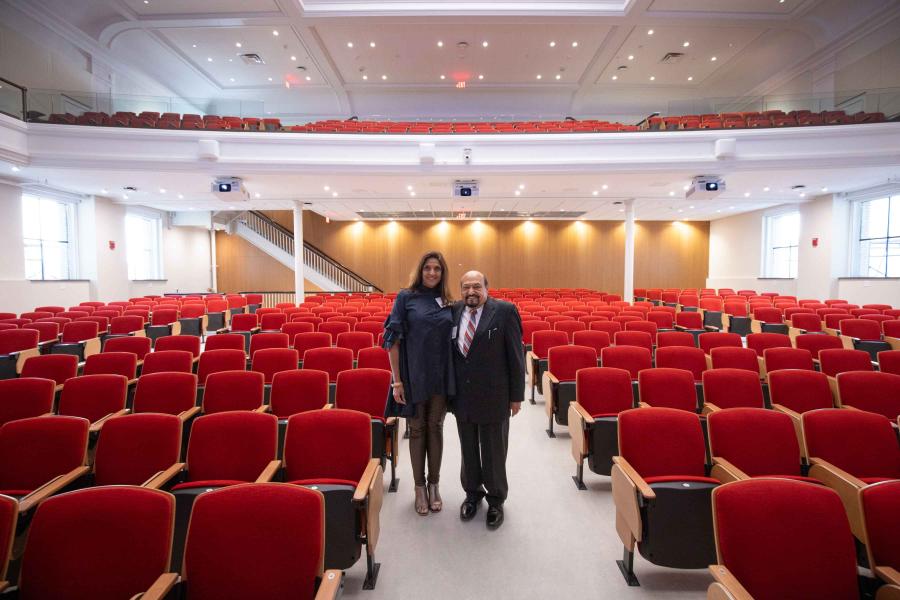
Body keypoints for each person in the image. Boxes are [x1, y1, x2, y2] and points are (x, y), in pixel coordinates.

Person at [450, 271, 525, 530]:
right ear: (460, 290)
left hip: (495, 395)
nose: (471, 292)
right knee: (468, 449)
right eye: (466, 287)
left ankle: (495, 500)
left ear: (486, 287)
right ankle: (472, 494)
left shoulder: (504, 311)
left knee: (493, 451)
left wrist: (516, 396)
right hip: (463, 396)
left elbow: (516, 355)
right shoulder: (455, 310)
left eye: (476, 286)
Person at [384, 251, 454, 515]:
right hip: (413, 375)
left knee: (435, 427)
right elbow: (393, 342)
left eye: (437, 268)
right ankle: (419, 487)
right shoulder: (406, 298)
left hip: (440, 375)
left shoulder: (447, 301)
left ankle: (434, 484)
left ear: (442, 272)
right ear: (420, 270)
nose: (432, 273)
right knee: (417, 430)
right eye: (428, 268)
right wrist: (397, 382)